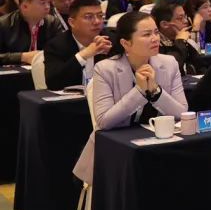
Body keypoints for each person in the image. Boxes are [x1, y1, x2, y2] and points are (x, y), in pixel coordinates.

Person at [73, 11, 188, 185]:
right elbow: (104, 121)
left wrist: (155, 92)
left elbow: (182, 112)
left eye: (156, 32)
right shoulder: (105, 69)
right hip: (118, 151)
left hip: (160, 147)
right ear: (126, 43)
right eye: (147, 34)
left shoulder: (169, 63)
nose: (155, 39)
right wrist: (140, 91)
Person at [43, 0, 112, 90]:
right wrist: (83, 55)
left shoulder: (111, 40)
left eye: (100, 16)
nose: (97, 21)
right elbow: (53, 83)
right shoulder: (56, 45)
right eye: (89, 17)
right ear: (72, 23)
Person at [0, 0, 62, 65]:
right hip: (13, 71)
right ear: (25, 6)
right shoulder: (3, 24)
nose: (47, 7)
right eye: (43, 3)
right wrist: (22, 57)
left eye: (48, 2)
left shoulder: (53, 23)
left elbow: (60, 51)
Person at [151, 2, 199, 75]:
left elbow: (198, 62)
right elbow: (170, 68)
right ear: (164, 24)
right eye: (180, 18)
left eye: (185, 16)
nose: (186, 21)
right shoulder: (155, 44)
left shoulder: (180, 37)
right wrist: (180, 41)